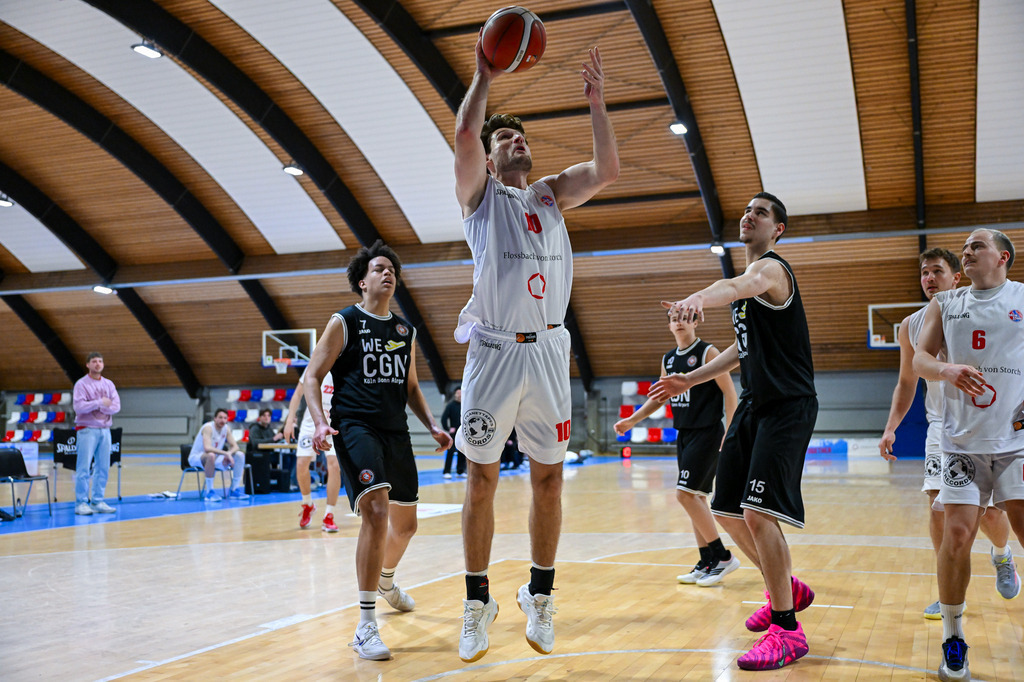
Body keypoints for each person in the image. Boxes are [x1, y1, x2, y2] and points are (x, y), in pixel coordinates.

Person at [452, 32, 619, 662]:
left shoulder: (550, 194)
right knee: (482, 480)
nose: (517, 141)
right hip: (494, 354)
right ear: (492, 160)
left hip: (549, 352)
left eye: (522, 136)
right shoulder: (480, 199)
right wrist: (483, 70)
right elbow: (466, 135)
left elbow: (606, 171)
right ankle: (476, 602)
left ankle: (540, 594)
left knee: (549, 481)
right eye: (506, 139)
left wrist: (596, 103)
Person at [649, 192, 817, 670]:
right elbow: (742, 351)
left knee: (759, 513)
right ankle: (787, 585)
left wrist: (697, 298)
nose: (749, 216)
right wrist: (690, 378)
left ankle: (787, 628)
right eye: (747, 211)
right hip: (753, 403)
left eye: (761, 212)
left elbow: (734, 285)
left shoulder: (771, 271)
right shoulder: (748, 288)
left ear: (778, 229)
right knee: (724, 509)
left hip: (787, 406)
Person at [303, 240, 451, 661]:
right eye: (380, 268)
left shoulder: (405, 331)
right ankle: (365, 625)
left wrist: (434, 427)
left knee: (406, 527)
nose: (389, 274)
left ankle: (386, 581)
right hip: (354, 427)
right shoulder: (345, 321)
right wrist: (319, 421)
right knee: (377, 513)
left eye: (393, 270)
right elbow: (313, 376)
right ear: (362, 280)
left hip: (395, 431)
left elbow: (411, 388)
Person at [878, 248, 1019, 619]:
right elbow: (906, 382)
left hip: (990, 423)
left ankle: (1002, 555)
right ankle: (949, 590)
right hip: (942, 426)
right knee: (938, 506)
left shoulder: (978, 309)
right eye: (924, 272)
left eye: (937, 271)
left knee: (988, 515)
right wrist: (891, 427)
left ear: (957, 277)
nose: (928, 278)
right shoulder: (910, 325)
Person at [913, 228, 1024, 682]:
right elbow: (919, 361)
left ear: (1003, 257)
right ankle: (953, 639)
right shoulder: (947, 303)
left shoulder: (1021, 297)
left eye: (978, 245)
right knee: (955, 537)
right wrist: (946, 368)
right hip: (961, 444)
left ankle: (1004, 561)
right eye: (966, 247)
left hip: (1017, 441)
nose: (968, 250)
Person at [615, 308, 739, 586]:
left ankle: (723, 557)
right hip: (684, 434)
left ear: (695, 322)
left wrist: (729, 433)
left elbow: (730, 394)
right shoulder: (668, 359)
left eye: (684, 318)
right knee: (696, 498)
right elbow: (659, 398)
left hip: (707, 433)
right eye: (673, 319)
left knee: (685, 495)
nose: (678, 323)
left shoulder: (708, 353)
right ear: (669, 326)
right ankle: (707, 560)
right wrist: (632, 420)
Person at [283, 371, 342, 532]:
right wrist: (289, 422)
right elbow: (297, 395)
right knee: (301, 465)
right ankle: (308, 504)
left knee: (334, 466)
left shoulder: (346, 365)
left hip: (336, 423)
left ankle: (329, 514)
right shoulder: (316, 364)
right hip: (312, 424)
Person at [72, 352, 120, 515]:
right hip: (87, 429)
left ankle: (98, 500)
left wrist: (97, 406)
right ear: (88, 365)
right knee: (84, 468)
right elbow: (79, 407)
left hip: (105, 430)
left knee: (103, 467)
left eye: (100, 361)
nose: (98, 364)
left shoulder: (109, 384)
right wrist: (100, 403)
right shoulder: (81, 384)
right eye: (94, 361)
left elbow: (116, 406)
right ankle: (81, 503)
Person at [188, 408, 249, 501]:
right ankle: (209, 492)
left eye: (225, 418)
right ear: (215, 418)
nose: (222, 420)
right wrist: (226, 454)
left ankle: (234, 490)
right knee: (211, 455)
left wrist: (229, 453)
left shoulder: (226, 428)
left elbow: (235, 446)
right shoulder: (208, 428)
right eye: (220, 417)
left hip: (216, 457)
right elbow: (207, 448)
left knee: (240, 455)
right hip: (197, 457)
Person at [441, 387, 466, 478]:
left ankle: (460, 471)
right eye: (457, 393)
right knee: (450, 452)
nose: (459, 395)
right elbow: (444, 418)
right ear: (455, 395)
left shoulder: (465, 405)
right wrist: (448, 428)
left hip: (463, 433)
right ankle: (446, 471)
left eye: (460, 393)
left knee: (462, 452)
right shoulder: (450, 405)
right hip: (453, 434)